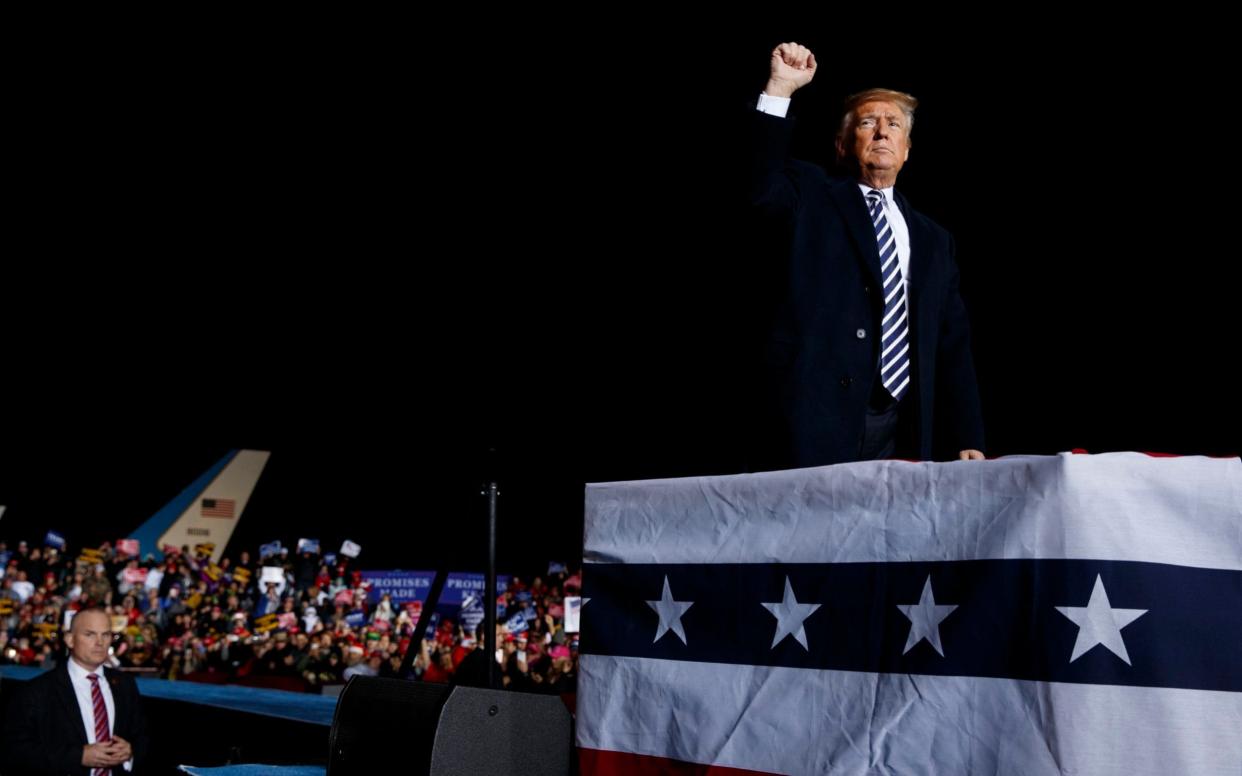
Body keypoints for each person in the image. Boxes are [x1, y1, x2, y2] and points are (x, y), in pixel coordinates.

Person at [747, 42, 986, 468]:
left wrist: (967, 432)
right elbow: (758, 186)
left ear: (907, 148)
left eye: (894, 124)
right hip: (811, 418)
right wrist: (780, 89)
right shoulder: (812, 193)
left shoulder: (934, 239)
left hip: (902, 426)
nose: (882, 132)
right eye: (868, 123)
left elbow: (952, 341)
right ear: (841, 144)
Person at [2, 607, 149, 775]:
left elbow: (142, 738)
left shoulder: (125, 684)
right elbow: (14, 751)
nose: (100, 642)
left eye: (106, 635)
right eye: (90, 634)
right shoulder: (36, 692)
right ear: (70, 639)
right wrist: (78, 756)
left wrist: (130, 753)